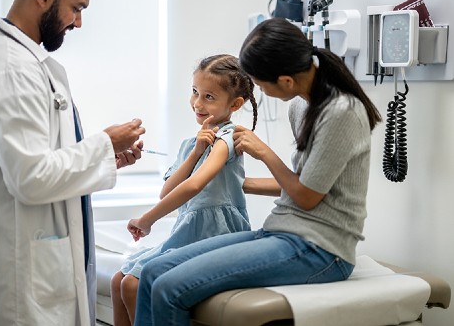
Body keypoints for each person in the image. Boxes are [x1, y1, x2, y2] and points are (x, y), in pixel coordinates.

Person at [133, 18, 383, 326]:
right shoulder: (301, 107)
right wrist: (238, 183)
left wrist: (263, 152)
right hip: (281, 231)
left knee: (170, 288)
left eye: (262, 85)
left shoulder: (342, 112)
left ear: (287, 81)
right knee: (153, 272)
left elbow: (306, 197)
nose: (260, 92)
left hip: (321, 249)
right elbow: (300, 184)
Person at [0, 0, 146, 325]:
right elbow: (30, 178)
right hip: (17, 287)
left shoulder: (24, 63)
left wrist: (104, 156)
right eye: (76, 8)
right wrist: (104, 143)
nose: (78, 22)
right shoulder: (10, 69)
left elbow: (38, 160)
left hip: (33, 271)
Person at [110, 54, 259, 326]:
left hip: (217, 235)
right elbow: (166, 192)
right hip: (189, 233)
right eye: (194, 92)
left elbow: (195, 184)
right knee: (118, 280)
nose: (198, 103)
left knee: (131, 285)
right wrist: (195, 153)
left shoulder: (228, 137)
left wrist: (147, 220)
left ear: (235, 104)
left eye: (209, 97)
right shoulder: (191, 144)